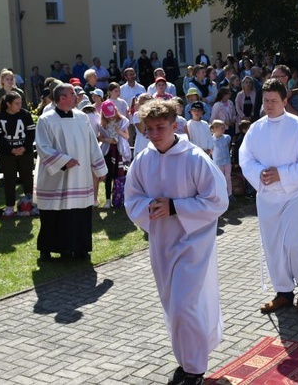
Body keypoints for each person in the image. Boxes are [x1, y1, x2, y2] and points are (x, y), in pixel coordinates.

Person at [124, 99, 228, 385]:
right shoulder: (144, 159)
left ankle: (195, 369)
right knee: (173, 305)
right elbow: (132, 198)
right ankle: (185, 361)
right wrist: (150, 207)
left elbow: (218, 200)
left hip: (194, 243)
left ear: (174, 126)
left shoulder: (195, 158)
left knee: (185, 305)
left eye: (161, 127)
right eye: (150, 129)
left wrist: (175, 207)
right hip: (162, 241)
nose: (155, 134)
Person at [239, 79, 298, 313]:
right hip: (267, 198)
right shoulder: (256, 129)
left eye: (274, 100)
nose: (269, 105)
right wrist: (260, 174)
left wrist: (281, 175)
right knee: (273, 246)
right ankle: (283, 292)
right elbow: (245, 158)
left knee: (294, 244)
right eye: (266, 101)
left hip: (294, 195)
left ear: (285, 100)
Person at [35, 83, 107, 261]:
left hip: (80, 176)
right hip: (56, 176)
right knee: (53, 213)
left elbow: (92, 144)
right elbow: (42, 146)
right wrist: (64, 161)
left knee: (79, 212)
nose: (77, 97)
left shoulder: (82, 117)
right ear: (61, 99)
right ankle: (48, 249)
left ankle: (80, 248)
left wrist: (99, 169)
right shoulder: (46, 119)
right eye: (72, 94)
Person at [0, 91, 36, 217]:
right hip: (7, 155)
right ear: (8, 104)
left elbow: (31, 133)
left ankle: (30, 204)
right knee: (9, 180)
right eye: (16, 103)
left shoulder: (25, 115)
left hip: (25, 153)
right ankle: (10, 206)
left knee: (27, 178)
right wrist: (11, 150)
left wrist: (24, 147)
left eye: (20, 103)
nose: (19, 105)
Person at [98, 100, 131, 208]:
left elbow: (127, 136)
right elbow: (100, 137)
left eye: (112, 115)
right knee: (108, 176)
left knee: (119, 176)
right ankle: (107, 200)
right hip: (108, 151)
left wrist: (118, 131)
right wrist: (109, 140)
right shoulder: (103, 123)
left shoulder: (122, 121)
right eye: (108, 116)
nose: (111, 118)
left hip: (119, 152)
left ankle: (118, 199)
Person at [210, 119, 232, 199]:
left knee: (228, 177)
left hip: (227, 161)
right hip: (218, 162)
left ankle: (230, 194)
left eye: (224, 128)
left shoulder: (227, 137)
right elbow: (211, 151)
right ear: (215, 129)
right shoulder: (211, 140)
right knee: (220, 178)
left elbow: (228, 147)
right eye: (221, 128)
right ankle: (221, 194)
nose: (224, 130)